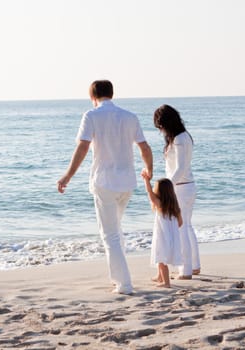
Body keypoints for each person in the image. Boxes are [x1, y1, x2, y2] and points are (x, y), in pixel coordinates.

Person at [57, 80, 153, 295]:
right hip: (126, 182)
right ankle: (117, 278)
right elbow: (144, 147)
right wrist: (149, 169)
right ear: (112, 93)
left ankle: (124, 284)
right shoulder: (130, 117)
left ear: (93, 96)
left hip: (105, 182)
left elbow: (82, 146)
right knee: (116, 230)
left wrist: (68, 175)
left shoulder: (91, 116)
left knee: (110, 234)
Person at [153, 104, 201, 279]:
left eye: (160, 126)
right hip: (186, 185)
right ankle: (194, 266)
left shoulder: (180, 138)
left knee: (181, 228)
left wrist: (167, 186)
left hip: (180, 187)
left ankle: (186, 270)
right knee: (187, 226)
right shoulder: (183, 136)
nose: (161, 130)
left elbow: (180, 167)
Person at [141, 172, 182, 288]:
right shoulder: (175, 206)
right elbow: (180, 223)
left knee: (161, 259)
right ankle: (160, 277)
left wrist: (146, 180)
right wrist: (171, 228)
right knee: (160, 257)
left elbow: (149, 193)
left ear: (160, 192)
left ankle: (166, 283)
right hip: (171, 237)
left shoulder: (160, 205)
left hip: (162, 236)